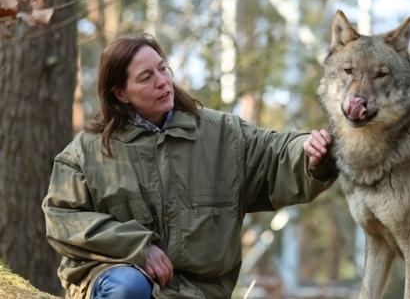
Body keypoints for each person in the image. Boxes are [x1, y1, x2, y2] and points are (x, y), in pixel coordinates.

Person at [42, 33, 338, 299]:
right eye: (146, 77)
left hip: (200, 292)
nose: (162, 81)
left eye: (163, 68)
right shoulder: (86, 152)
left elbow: (275, 154)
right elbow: (62, 216)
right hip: (113, 277)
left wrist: (309, 152)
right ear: (120, 93)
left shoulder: (222, 134)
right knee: (128, 287)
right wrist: (137, 248)